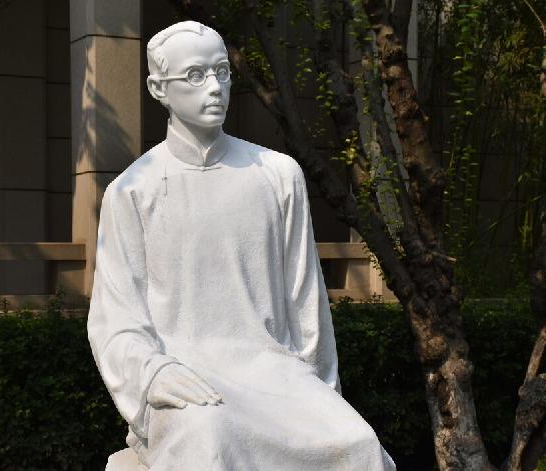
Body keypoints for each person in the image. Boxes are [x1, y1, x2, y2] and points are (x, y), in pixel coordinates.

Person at [87, 20, 396, 470]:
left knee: (357, 443)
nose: (214, 88)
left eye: (221, 72)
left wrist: (320, 394)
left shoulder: (277, 174)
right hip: (190, 375)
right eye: (195, 76)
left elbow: (305, 303)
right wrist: (153, 373)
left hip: (276, 373)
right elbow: (116, 318)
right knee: (211, 438)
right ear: (158, 89)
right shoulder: (133, 191)